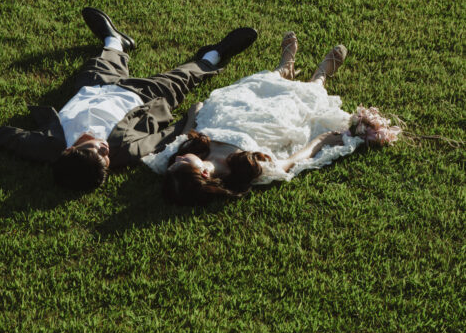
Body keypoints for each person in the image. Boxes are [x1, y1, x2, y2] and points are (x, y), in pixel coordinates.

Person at [0, 7, 258, 192]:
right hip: (144, 97)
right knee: (185, 76)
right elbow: (164, 137)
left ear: (68, 151)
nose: (104, 149)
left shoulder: (45, 146)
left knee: (105, 57)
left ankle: (115, 39)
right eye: (106, 157)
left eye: (95, 150)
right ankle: (215, 54)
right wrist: (192, 118)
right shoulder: (124, 152)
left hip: (94, 87)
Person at [145, 31, 401, 205]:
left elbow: (182, 137)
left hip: (233, 112)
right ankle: (320, 76)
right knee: (293, 106)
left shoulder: (178, 157)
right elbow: (290, 162)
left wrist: (193, 115)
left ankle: (284, 68)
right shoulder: (244, 171)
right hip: (269, 126)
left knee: (249, 89)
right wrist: (321, 140)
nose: (177, 159)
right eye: (182, 163)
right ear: (203, 173)